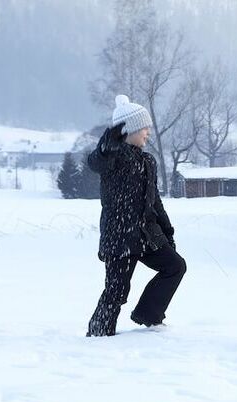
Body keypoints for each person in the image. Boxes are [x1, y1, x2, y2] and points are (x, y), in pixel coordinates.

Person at [86, 95, 186, 337]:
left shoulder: (147, 161)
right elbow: (95, 162)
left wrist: (167, 231)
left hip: (145, 236)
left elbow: (155, 202)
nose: (148, 133)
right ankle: (99, 333)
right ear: (129, 130)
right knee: (117, 291)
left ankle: (148, 315)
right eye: (144, 128)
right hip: (119, 238)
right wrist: (107, 144)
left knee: (175, 266)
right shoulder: (114, 157)